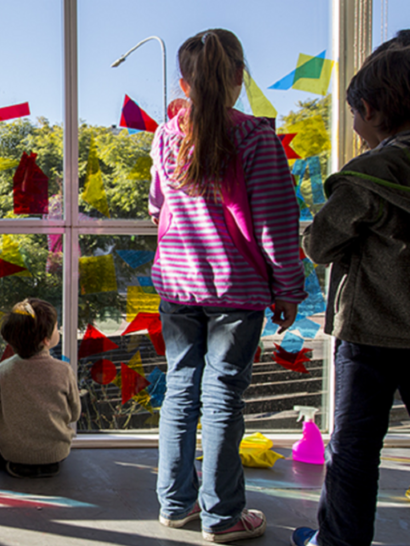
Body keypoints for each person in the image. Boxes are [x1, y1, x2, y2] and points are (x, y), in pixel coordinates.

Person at [149, 29, 306, 543]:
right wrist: (288, 288)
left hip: (175, 283)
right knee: (220, 399)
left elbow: (157, 208)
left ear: (183, 83)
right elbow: (277, 224)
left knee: (179, 390)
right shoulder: (256, 137)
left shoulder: (166, 135)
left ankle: (175, 506)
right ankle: (222, 518)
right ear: (239, 78)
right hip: (235, 290)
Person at [291, 38, 410, 546]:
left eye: (355, 117)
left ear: (370, 108)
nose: (355, 130)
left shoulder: (370, 173)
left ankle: (338, 542)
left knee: (354, 450)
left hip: (370, 334)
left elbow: (319, 243)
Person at [0, 298, 80, 478]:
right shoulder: (64, 371)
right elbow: (75, 414)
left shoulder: (4, 370)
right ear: (46, 340)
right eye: (56, 328)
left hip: (12, 454)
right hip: (55, 453)